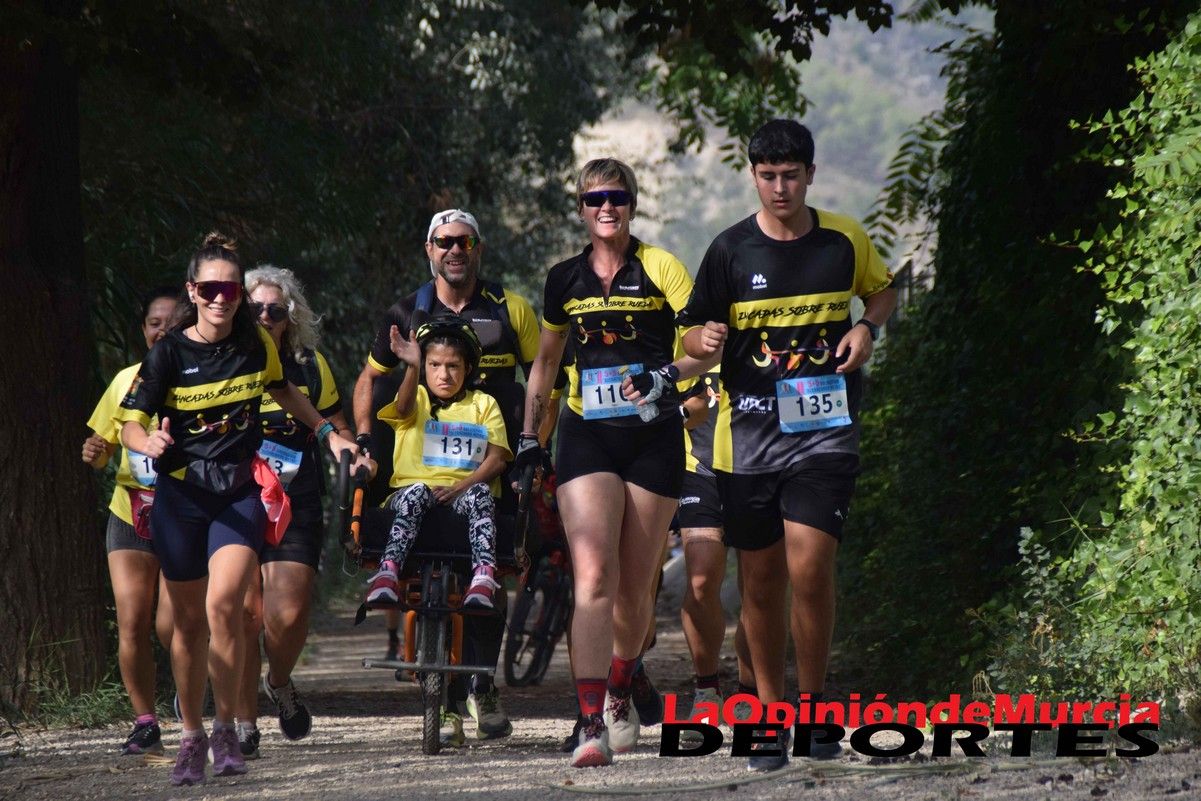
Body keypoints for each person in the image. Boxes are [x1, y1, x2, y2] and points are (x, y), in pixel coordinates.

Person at [678, 119, 897, 771]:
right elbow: (691, 333)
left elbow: (880, 294)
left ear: (810, 174)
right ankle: (770, 717)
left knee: (810, 566)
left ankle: (816, 706)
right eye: (767, 175)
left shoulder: (842, 239)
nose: (779, 186)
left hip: (823, 432)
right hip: (746, 440)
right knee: (763, 577)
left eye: (790, 174)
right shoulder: (729, 251)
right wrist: (702, 343)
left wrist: (867, 331)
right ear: (753, 175)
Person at [117, 233, 361, 786]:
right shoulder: (169, 352)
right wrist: (144, 443)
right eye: (212, 288)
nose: (223, 298)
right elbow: (131, 420)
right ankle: (192, 734)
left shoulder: (257, 345)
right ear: (193, 292)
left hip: (237, 493)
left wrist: (329, 434)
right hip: (181, 497)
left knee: (226, 605)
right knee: (187, 623)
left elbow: (283, 391)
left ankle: (226, 728)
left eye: (231, 288)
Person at [515, 157, 718, 767]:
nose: (608, 207)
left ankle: (621, 686)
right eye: (595, 198)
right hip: (586, 435)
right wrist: (530, 435)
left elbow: (696, 349)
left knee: (635, 591)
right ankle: (587, 723)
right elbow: (546, 365)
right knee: (594, 576)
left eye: (618, 197)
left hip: (652, 437)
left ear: (632, 204)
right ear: (581, 208)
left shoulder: (661, 268)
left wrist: (670, 371)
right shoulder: (563, 279)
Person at [353, 209, 538, 742]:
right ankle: (448, 700)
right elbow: (371, 381)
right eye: (444, 242)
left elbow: (543, 376)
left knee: (495, 566)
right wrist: (366, 444)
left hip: (491, 468)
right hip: (417, 471)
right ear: (429, 249)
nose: (455, 250)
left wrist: (532, 446)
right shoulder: (407, 311)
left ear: (478, 247)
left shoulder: (510, 308)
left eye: (465, 241)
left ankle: (481, 686)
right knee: (424, 563)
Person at [234, 266, 352, 758]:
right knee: (243, 614)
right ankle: (242, 724)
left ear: (290, 317)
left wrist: (347, 449)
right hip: (235, 494)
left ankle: (279, 682)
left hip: (295, 497)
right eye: (256, 308)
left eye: (275, 310)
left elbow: (333, 422)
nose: (265, 316)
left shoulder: (309, 366)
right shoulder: (223, 361)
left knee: (287, 613)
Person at [82, 286, 179, 756]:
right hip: (130, 512)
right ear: (143, 330)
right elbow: (100, 450)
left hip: (184, 512)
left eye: (171, 321)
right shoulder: (125, 381)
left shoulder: (195, 378)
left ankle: (188, 690)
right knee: (132, 621)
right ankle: (144, 721)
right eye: (153, 322)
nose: (162, 330)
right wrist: (96, 453)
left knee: (171, 625)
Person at [364, 314, 511, 607]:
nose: (444, 375)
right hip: (411, 495)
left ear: (467, 368)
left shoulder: (484, 404)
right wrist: (413, 366)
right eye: (434, 365)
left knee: (481, 491)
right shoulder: (415, 396)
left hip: (464, 495)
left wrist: (461, 488)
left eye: (453, 366)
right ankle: (388, 574)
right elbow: (402, 409)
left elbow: (496, 460)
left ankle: (482, 578)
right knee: (417, 491)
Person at [675, 371, 756, 741]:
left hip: (758, 468)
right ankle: (706, 689)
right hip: (700, 470)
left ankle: (749, 692)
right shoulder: (687, 333)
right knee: (702, 580)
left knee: (757, 587)